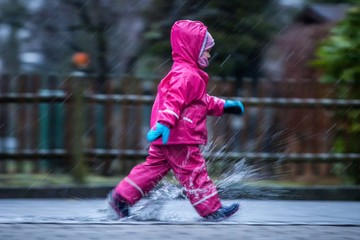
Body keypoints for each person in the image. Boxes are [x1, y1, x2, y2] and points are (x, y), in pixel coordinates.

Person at [107, 20, 245, 221]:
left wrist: (225, 105)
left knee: (151, 169)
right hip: (181, 136)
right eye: (206, 50)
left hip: (170, 136)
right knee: (193, 171)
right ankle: (212, 210)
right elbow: (173, 101)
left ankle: (121, 198)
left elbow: (200, 102)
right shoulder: (187, 75)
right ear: (193, 49)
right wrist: (165, 123)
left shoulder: (185, 73)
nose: (208, 55)